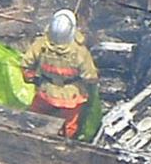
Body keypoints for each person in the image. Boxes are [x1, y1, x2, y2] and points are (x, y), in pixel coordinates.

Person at [21, 9, 99, 139]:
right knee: (69, 125)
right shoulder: (80, 51)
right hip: (71, 97)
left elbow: (26, 65)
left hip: (46, 93)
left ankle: (29, 137)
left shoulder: (41, 44)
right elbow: (90, 77)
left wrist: (30, 78)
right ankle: (63, 144)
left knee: (33, 118)